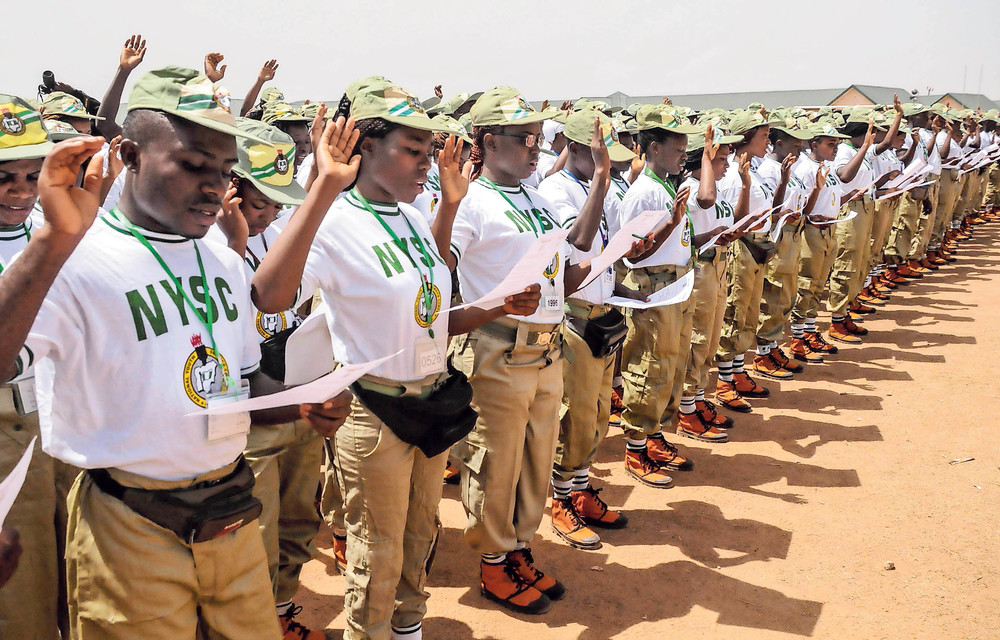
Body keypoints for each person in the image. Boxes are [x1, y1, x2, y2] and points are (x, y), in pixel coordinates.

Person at [0, 66, 352, 639]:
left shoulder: (220, 259)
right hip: (131, 522)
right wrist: (51, 243)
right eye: (193, 165)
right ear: (131, 155)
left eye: (224, 169)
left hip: (230, 514)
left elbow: (239, 387)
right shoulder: (76, 258)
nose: (215, 185)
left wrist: (299, 404)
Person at [252, 82, 539, 639]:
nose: (427, 163)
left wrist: (497, 302)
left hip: (430, 400)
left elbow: (431, 314)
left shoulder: (410, 217)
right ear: (363, 145)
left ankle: (407, 628)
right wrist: (319, 192)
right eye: (414, 149)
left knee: (417, 539)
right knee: (376, 550)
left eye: (429, 150)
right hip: (374, 412)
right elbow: (269, 297)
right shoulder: (334, 223)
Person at [446, 87, 593, 614]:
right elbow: (442, 265)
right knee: (496, 462)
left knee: (534, 458)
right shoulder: (473, 204)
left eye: (537, 138)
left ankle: (518, 547)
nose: (536, 147)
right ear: (487, 142)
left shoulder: (532, 197)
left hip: (545, 348)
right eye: (524, 138)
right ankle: (493, 563)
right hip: (497, 346)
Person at [205, 116, 327, 639]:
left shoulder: (276, 231)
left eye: (279, 204)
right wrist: (235, 242)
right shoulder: (209, 244)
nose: (270, 215)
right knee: (258, 529)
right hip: (250, 408)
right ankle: (253, 621)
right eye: (260, 203)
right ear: (232, 191)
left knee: (299, 522)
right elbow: (231, 310)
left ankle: (279, 611)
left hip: (290, 388)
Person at [536, 109, 640, 550]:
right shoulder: (555, 189)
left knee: (597, 413)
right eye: (600, 157)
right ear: (574, 148)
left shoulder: (602, 184)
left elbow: (616, 235)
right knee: (574, 414)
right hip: (573, 311)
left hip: (602, 309)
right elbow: (577, 240)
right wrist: (600, 178)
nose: (611, 165)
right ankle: (561, 498)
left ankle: (580, 487)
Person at [0, 94, 76, 640]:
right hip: (6, 435)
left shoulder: (60, 230)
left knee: (84, 577)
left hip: (64, 420)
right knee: (22, 597)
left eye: (33, 174)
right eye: (5, 176)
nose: (21, 191)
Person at [616, 104, 700, 480]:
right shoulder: (643, 194)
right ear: (653, 148)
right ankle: (636, 449)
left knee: (671, 365)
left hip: (677, 283)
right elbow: (631, 256)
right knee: (649, 365)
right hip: (654, 284)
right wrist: (671, 225)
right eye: (678, 150)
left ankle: (653, 435)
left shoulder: (666, 185)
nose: (684, 157)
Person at [677, 123, 748, 436]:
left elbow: (733, 218)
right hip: (701, 269)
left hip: (718, 266)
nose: (727, 165)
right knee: (697, 339)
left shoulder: (715, 191)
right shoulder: (692, 190)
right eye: (720, 159)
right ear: (701, 160)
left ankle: (698, 398)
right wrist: (712, 235)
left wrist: (744, 185)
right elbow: (687, 237)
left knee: (711, 339)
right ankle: (685, 409)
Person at [715, 109, 782, 410]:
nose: (768, 141)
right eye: (764, 136)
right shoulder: (732, 175)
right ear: (746, 138)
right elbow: (730, 221)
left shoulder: (750, 170)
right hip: (740, 247)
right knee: (734, 312)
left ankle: (738, 372)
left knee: (748, 313)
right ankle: (724, 381)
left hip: (756, 247)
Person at [754, 119, 813, 369]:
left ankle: (773, 346)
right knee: (774, 295)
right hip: (778, 236)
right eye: (795, 145)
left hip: (793, 233)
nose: (800, 149)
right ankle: (762, 353)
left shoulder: (788, 167)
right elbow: (772, 209)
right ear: (780, 144)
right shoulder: (768, 170)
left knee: (786, 295)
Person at [788, 121, 847, 359]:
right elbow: (801, 205)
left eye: (836, 144)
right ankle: (797, 337)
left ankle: (810, 331)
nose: (835, 148)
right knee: (806, 284)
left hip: (828, 229)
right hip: (811, 230)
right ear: (814, 144)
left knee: (818, 285)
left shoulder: (827, 166)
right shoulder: (804, 168)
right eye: (830, 144)